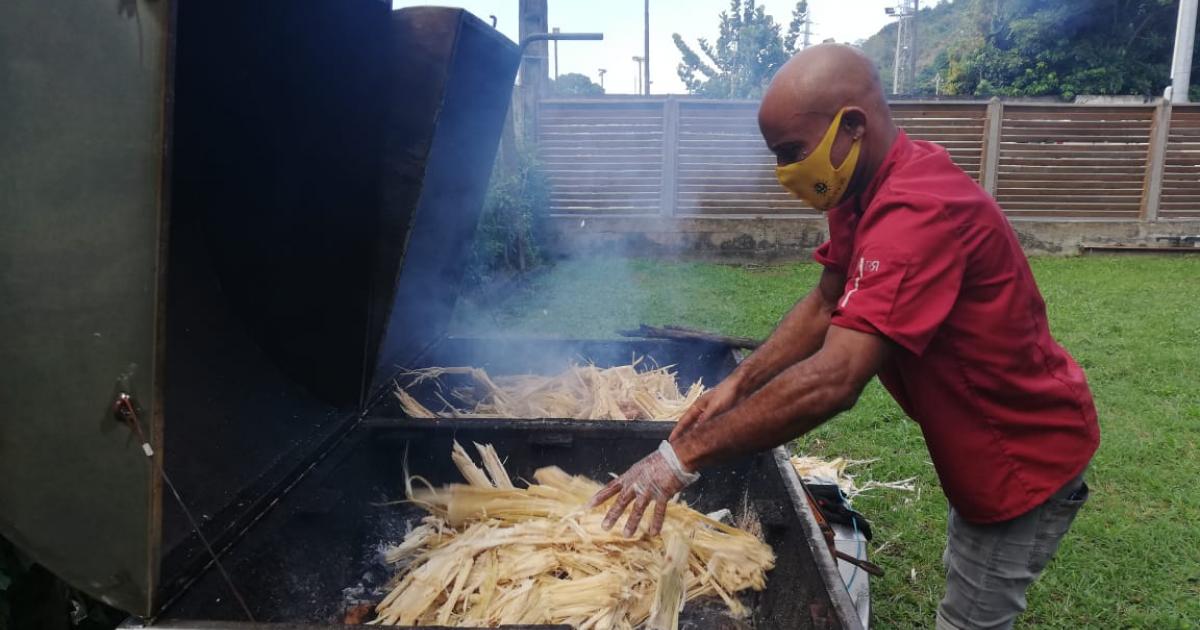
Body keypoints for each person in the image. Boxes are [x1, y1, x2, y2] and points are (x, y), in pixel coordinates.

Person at [589, 44, 1099, 630]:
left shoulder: (916, 211)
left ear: (851, 126)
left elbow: (836, 377)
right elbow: (827, 301)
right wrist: (736, 384)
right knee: (968, 560)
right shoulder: (861, 185)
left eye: (790, 153)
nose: (784, 173)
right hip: (976, 440)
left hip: (1021, 453)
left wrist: (678, 460)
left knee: (971, 615)